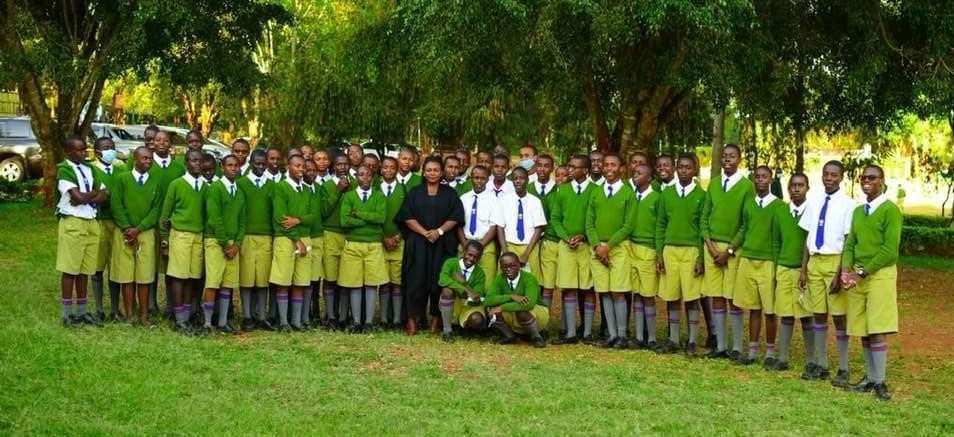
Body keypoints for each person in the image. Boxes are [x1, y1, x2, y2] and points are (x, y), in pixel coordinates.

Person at [840, 164, 901, 401]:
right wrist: (846, 270)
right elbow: (850, 243)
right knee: (863, 329)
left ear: (882, 180)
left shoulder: (890, 210)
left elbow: (889, 250)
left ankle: (880, 381)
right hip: (859, 275)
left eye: (872, 178)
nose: (866, 181)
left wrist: (862, 273)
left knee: (877, 329)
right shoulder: (858, 211)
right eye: (863, 178)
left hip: (879, 275)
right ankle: (869, 377)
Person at [798, 160, 857, 386]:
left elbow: (848, 241)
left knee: (839, 316)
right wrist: (803, 269)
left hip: (835, 261)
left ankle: (843, 367)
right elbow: (807, 236)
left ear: (841, 177)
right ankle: (821, 364)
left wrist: (841, 273)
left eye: (834, 175)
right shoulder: (813, 201)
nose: (829, 178)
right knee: (818, 314)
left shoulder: (848, 205)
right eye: (826, 174)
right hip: (815, 261)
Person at [395, 156, 464, 335]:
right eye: (429, 170)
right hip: (418, 243)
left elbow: (456, 217)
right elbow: (406, 216)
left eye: (436, 170)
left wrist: (438, 232)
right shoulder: (415, 192)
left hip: (442, 244)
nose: (432, 173)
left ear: (441, 172)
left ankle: (436, 321)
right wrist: (424, 232)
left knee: (438, 281)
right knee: (415, 281)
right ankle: (412, 321)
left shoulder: (450, 194)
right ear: (423, 172)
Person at [701, 144, 754, 360]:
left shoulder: (747, 187)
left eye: (732, 156)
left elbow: (746, 223)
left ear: (739, 160)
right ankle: (721, 346)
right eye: (724, 156)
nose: (727, 160)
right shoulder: (713, 184)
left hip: (733, 250)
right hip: (712, 249)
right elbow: (704, 218)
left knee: (734, 298)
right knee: (717, 297)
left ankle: (737, 348)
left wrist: (729, 250)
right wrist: (711, 246)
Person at [654, 153, 706, 356]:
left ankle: (692, 340)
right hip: (670, 250)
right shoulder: (667, 194)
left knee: (692, 297)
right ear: (676, 169)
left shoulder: (701, 195)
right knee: (672, 295)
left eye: (688, 167)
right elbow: (660, 224)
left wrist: (701, 258)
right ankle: (673, 339)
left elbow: (702, 228)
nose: (684, 171)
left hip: (691, 250)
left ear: (694, 170)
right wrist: (659, 253)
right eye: (681, 167)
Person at [732, 166, 783, 366]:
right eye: (758, 177)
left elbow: (778, 238)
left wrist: (777, 267)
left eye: (764, 177)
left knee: (769, 310)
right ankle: (752, 351)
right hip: (748, 258)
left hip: (767, 262)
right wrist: (731, 248)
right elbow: (744, 229)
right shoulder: (749, 204)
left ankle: (770, 352)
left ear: (770, 179)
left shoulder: (778, 206)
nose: (761, 180)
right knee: (753, 308)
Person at [56, 135, 108, 327]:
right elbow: (76, 196)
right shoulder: (64, 169)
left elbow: (105, 194)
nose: (83, 153)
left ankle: (82, 311)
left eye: (84, 149)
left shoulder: (90, 168)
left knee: (85, 269)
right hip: (73, 221)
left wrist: (88, 196)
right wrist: (91, 194)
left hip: (91, 220)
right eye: (78, 150)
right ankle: (67, 314)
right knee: (70, 268)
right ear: (68, 151)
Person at [585, 154, 635, 348]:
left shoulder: (627, 192)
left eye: (613, 165)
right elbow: (589, 223)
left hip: (618, 247)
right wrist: (597, 246)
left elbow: (628, 225)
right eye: (606, 165)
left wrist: (608, 246)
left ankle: (622, 334)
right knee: (604, 292)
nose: (608, 168)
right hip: (597, 248)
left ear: (621, 168)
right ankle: (611, 334)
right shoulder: (596, 192)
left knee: (618, 291)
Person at [110, 147, 161, 326]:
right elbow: (116, 204)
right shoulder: (122, 179)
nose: (148, 161)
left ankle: (144, 316)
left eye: (150, 158)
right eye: (144, 158)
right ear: (135, 159)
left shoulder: (155, 183)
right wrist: (127, 228)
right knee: (126, 276)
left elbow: (155, 210)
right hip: (124, 233)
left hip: (145, 233)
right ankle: (129, 315)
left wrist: (139, 229)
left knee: (144, 276)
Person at [551, 155, 599, 345]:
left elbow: (595, 219)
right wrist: (565, 237)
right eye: (569, 166)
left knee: (588, 288)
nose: (569, 170)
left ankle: (587, 332)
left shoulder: (595, 190)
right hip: (567, 246)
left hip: (586, 246)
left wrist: (584, 236)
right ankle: (570, 332)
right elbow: (555, 219)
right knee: (568, 287)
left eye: (573, 167)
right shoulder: (563, 190)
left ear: (585, 170)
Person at [159, 149, 208, 334]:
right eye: (193, 161)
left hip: (198, 236)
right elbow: (165, 214)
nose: (197, 164)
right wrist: (165, 240)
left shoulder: (205, 186)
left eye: (200, 161)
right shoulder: (177, 184)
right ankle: (179, 319)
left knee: (192, 278)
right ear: (186, 163)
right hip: (180, 234)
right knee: (179, 277)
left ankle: (187, 317)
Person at [770, 172, 814, 372]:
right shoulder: (781, 211)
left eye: (801, 185)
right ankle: (782, 357)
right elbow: (776, 242)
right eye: (793, 186)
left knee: (806, 315)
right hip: (783, 268)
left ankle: (811, 359)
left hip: (803, 270)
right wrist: (776, 267)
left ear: (807, 188)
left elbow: (810, 243)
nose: (796, 189)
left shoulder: (811, 211)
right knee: (786, 314)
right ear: (788, 189)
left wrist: (805, 270)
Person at [200, 155, 246, 335]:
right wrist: (225, 243)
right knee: (213, 282)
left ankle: (223, 322)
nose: (233, 168)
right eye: (229, 165)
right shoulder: (216, 188)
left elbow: (242, 220)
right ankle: (207, 323)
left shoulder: (239, 191)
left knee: (228, 284)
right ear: (222, 167)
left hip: (233, 243)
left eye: (236, 165)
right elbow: (214, 218)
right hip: (216, 241)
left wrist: (237, 244)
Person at [338, 165, 388, 332]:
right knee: (355, 284)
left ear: (372, 177)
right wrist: (368, 221)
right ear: (356, 177)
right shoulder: (349, 196)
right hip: (353, 244)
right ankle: (357, 321)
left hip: (373, 244)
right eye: (361, 174)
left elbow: (380, 218)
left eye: (368, 174)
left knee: (372, 284)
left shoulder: (379, 196)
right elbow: (344, 221)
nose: (365, 177)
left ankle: (368, 322)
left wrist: (359, 214)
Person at [269, 155, 314, 331]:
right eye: (297, 166)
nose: (301, 169)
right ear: (288, 166)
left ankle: (296, 321)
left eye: (303, 166)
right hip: (286, 239)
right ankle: (283, 322)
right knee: (283, 281)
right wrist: (297, 240)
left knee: (300, 282)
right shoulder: (280, 187)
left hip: (305, 237)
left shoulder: (307, 190)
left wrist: (298, 220)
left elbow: (313, 216)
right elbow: (281, 218)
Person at [237, 150, 275, 331]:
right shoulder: (242, 183)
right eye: (257, 163)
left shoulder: (272, 185)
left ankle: (261, 315)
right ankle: (246, 315)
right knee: (246, 278)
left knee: (262, 279)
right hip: (247, 236)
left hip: (266, 236)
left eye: (263, 164)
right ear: (251, 163)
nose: (260, 167)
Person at [149, 130, 185, 316]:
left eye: (165, 140)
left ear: (170, 144)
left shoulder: (178, 168)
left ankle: (171, 305)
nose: (162, 143)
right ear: (153, 142)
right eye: (158, 140)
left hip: (172, 224)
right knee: (151, 264)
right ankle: (151, 303)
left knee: (172, 265)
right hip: (150, 222)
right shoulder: (148, 164)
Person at [89, 136, 124, 322]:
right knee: (97, 267)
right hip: (99, 222)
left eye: (112, 147)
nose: (110, 150)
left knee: (115, 267)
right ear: (97, 152)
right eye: (106, 148)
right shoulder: (91, 171)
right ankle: (98, 309)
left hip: (117, 224)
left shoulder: (121, 171)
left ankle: (115, 309)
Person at [627, 163, 661, 349]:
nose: (635, 175)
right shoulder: (631, 196)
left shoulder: (656, 198)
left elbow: (659, 226)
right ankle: (639, 336)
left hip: (648, 249)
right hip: (632, 248)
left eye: (640, 173)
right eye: (634, 173)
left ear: (649, 178)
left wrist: (658, 252)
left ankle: (652, 337)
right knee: (637, 294)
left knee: (648, 295)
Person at [483, 252, 548, 348]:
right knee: (491, 308)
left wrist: (502, 307)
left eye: (512, 265)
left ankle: (536, 337)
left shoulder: (529, 278)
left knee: (521, 311)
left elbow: (529, 304)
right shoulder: (499, 278)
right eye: (505, 266)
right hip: (512, 311)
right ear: (501, 268)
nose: (508, 269)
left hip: (536, 312)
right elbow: (488, 300)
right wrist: (511, 296)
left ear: (519, 265)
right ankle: (509, 336)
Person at [496, 167, 547, 283]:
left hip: (529, 246)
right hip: (509, 245)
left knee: (531, 280)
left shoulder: (535, 201)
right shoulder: (504, 200)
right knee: (505, 280)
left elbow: (538, 228)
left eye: (522, 178)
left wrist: (526, 253)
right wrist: (505, 250)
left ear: (527, 180)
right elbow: (500, 227)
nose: (518, 181)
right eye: (515, 178)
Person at [321, 153, 353, 329]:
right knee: (330, 278)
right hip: (330, 234)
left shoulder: (355, 185)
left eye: (346, 164)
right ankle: (331, 316)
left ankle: (343, 316)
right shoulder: (326, 186)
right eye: (339, 164)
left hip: (349, 235)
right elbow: (324, 211)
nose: (343, 167)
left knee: (346, 279)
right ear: (333, 166)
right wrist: (338, 191)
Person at [457, 165, 501, 290]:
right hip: (465, 243)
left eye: (483, 178)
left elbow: (494, 226)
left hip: (485, 245)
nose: (479, 181)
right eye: (476, 178)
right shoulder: (463, 198)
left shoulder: (494, 200)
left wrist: (480, 246)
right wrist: (465, 244)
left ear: (488, 179)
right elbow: (458, 224)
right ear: (471, 178)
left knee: (487, 284)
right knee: (461, 282)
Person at [437, 240, 488, 342]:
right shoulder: (451, 263)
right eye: (469, 254)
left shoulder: (480, 273)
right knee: (447, 291)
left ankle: (465, 328)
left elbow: (477, 296)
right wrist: (464, 290)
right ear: (464, 251)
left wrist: (464, 283)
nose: (471, 259)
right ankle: (447, 331)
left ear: (479, 258)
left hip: (468, 306)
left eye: (476, 257)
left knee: (477, 319)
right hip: (454, 302)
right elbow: (443, 280)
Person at [528, 154, 558, 323]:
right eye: (539, 165)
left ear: (552, 168)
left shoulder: (557, 189)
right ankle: (531, 316)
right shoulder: (528, 187)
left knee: (547, 283)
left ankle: (544, 321)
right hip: (530, 240)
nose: (542, 169)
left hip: (549, 240)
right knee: (533, 279)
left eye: (546, 166)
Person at [379, 157, 407, 328]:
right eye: (385, 167)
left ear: (397, 170)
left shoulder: (404, 190)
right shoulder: (374, 188)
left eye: (392, 168)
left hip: (399, 241)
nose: (388, 170)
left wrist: (398, 237)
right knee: (383, 282)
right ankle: (383, 319)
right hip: (380, 241)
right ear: (380, 169)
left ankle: (396, 319)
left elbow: (408, 216)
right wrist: (383, 237)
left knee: (397, 282)